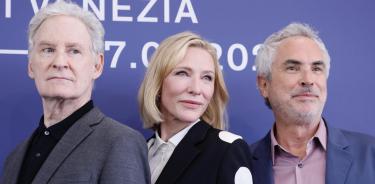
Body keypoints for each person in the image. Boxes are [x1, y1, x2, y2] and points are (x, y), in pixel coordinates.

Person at [1, 1, 150, 184]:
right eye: (48, 50)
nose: (60, 62)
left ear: (97, 65)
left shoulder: (120, 143)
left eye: (74, 51)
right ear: (31, 65)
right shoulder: (14, 159)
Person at [249, 22, 375, 184]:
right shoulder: (242, 164)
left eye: (316, 69)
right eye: (292, 68)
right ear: (264, 85)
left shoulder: (370, 155)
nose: (308, 80)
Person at [138, 31, 253, 184]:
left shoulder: (227, 150)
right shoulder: (139, 152)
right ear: (157, 82)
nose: (196, 89)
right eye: (183, 73)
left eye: (207, 78)